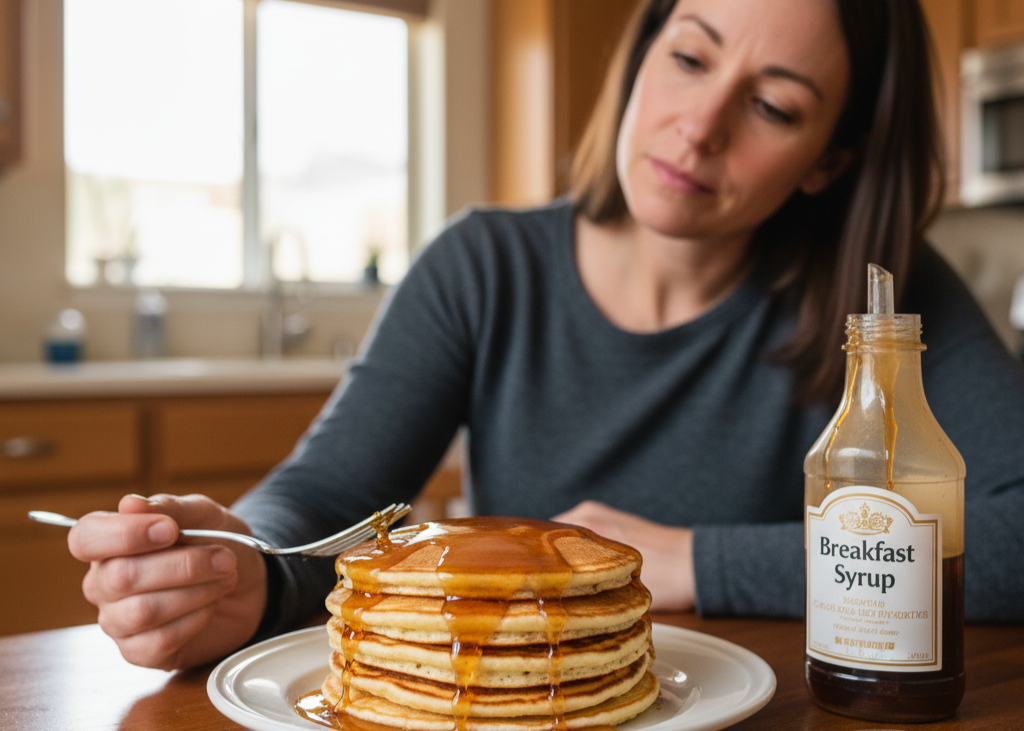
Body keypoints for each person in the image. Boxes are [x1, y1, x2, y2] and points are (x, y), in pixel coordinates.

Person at [68, 0, 1024, 671]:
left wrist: (690, 558)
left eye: (773, 106)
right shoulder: (484, 267)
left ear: (831, 161)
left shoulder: (885, 299)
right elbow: (328, 496)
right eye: (689, 57)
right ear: (643, 50)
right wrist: (244, 564)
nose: (697, 129)